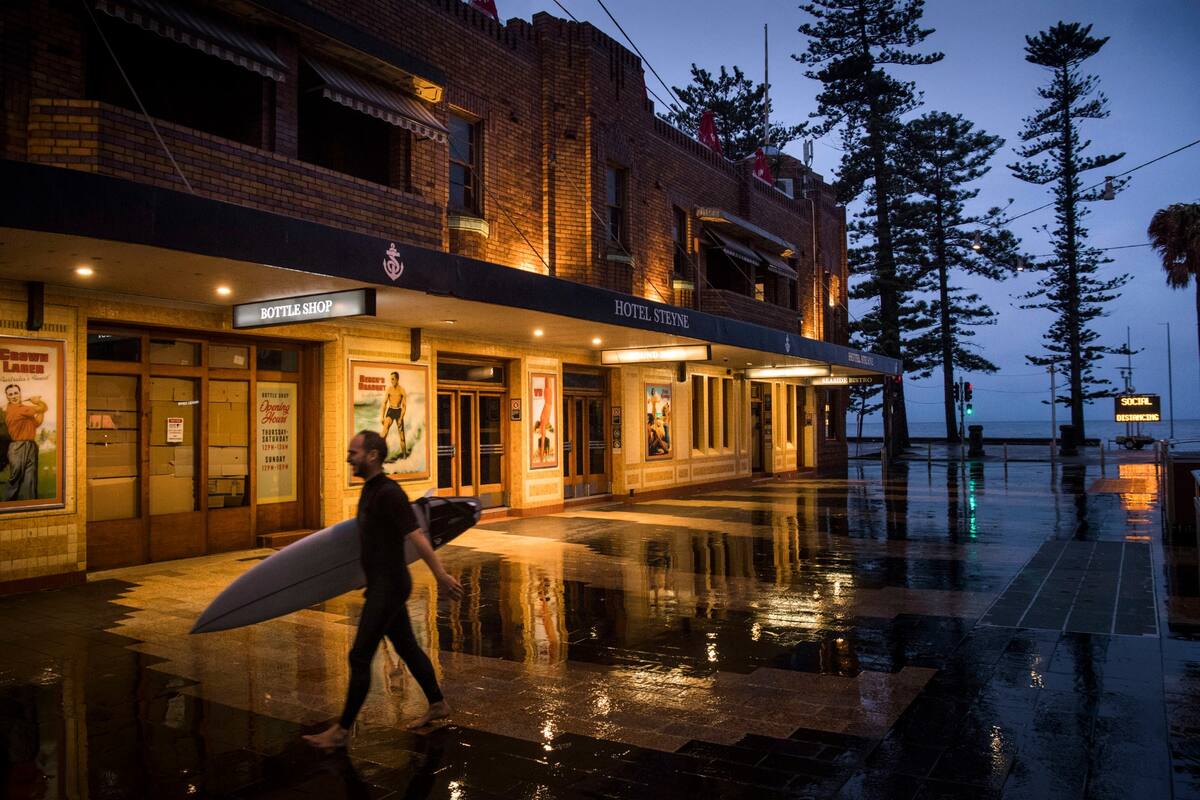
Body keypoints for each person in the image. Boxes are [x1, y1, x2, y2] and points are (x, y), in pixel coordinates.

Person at [303, 430, 463, 749]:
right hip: (381, 581)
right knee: (405, 645)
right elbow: (374, 540)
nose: (349, 457)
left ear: (372, 456)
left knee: (359, 655)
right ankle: (437, 703)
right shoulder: (371, 490)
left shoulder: (389, 492)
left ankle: (341, 731)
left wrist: (441, 575)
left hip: (390, 585)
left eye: (354, 452)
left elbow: (417, 535)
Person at [4, 384, 46, 501]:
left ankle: (30, 506)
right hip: (17, 447)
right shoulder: (16, 410)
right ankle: (6, 505)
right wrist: (38, 402)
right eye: (10, 394)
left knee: (30, 478)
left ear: (20, 393)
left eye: (16, 393)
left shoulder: (24, 410)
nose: (14, 396)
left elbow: (36, 423)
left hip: (31, 446)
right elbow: (42, 408)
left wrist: (41, 409)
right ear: (7, 397)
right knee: (15, 478)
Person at [379, 372, 407, 459]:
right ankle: (380, 454)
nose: (391, 381)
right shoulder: (389, 389)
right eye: (390, 379)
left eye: (393, 379)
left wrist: (401, 418)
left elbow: (404, 406)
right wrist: (382, 416)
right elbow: (384, 403)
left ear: (397, 379)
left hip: (398, 411)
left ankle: (404, 456)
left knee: (402, 436)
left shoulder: (402, 390)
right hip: (390, 410)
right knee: (384, 430)